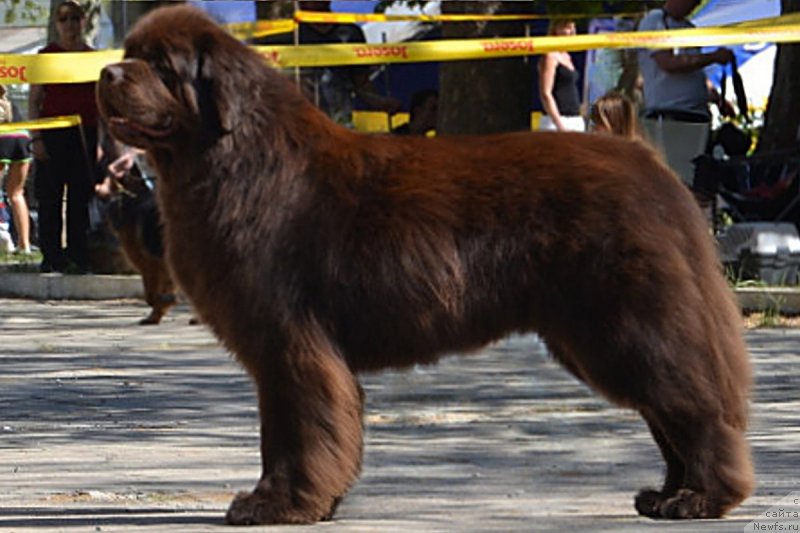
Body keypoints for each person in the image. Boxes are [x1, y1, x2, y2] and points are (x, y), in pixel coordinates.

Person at [28, 0, 99, 273]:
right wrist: (36, 139)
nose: (69, 24)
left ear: (83, 21)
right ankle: (52, 257)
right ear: (56, 24)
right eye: (63, 19)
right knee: (49, 199)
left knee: (81, 199)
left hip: (85, 135)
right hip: (51, 135)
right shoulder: (44, 55)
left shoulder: (94, 58)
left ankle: (79, 256)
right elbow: (35, 100)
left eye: (75, 18)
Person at [637, 0, 735, 186]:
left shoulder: (688, 27)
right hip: (670, 117)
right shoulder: (655, 22)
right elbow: (668, 63)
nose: (694, 4)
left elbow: (693, 71)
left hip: (696, 116)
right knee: (674, 179)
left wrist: (716, 97)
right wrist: (713, 57)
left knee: (698, 180)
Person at [259, 0, 400, 126]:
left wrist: (381, 102)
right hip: (301, 121)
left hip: (340, 122)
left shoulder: (350, 33)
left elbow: (361, 83)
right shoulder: (286, 35)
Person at [0, 86, 33, 254]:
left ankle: (2, 232)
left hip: (1, 138)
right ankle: (24, 245)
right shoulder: (9, 101)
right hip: (22, 138)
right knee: (17, 194)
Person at [537, 19, 585, 132]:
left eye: (573, 27)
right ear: (556, 29)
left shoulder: (567, 56)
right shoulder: (550, 56)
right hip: (557, 120)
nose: (572, 32)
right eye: (567, 28)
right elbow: (546, 93)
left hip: (574, 119)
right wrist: (559, 124)